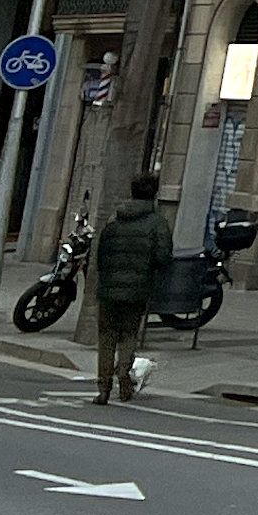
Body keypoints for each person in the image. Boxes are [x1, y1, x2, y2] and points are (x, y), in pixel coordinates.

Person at [89, 169, 172, 411]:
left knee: (106, 337)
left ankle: (103, 387)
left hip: (109, 288)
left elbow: (101, 255)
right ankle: (123, 372)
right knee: (128, 334)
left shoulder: (115, 219)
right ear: (154, 195)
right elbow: (163, 256)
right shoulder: (157, 223)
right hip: (137, 288)